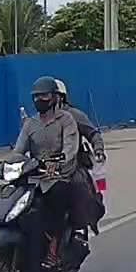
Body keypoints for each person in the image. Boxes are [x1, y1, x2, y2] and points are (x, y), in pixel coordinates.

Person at [12, 76, 80, 267]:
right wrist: (7, 165)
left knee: (57, 198)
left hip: (59, 175)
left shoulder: (65, 120)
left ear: (55, 98)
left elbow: (70, 148)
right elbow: (18, 151)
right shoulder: (30, 124)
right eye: (36, 97)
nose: (39, 100)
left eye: (44, 96)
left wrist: (59, 162)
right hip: (35, 176)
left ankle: (54, 246)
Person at [54, 78, 106, 232]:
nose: (44, 100)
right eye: (40, 97)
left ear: (61, 97)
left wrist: (98, 149)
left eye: (50, 96)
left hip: (72, 164)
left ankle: (80, 226)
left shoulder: (74, 115)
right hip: (45, 166)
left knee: (79, 187)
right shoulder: (38, 120)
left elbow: (93, 134)